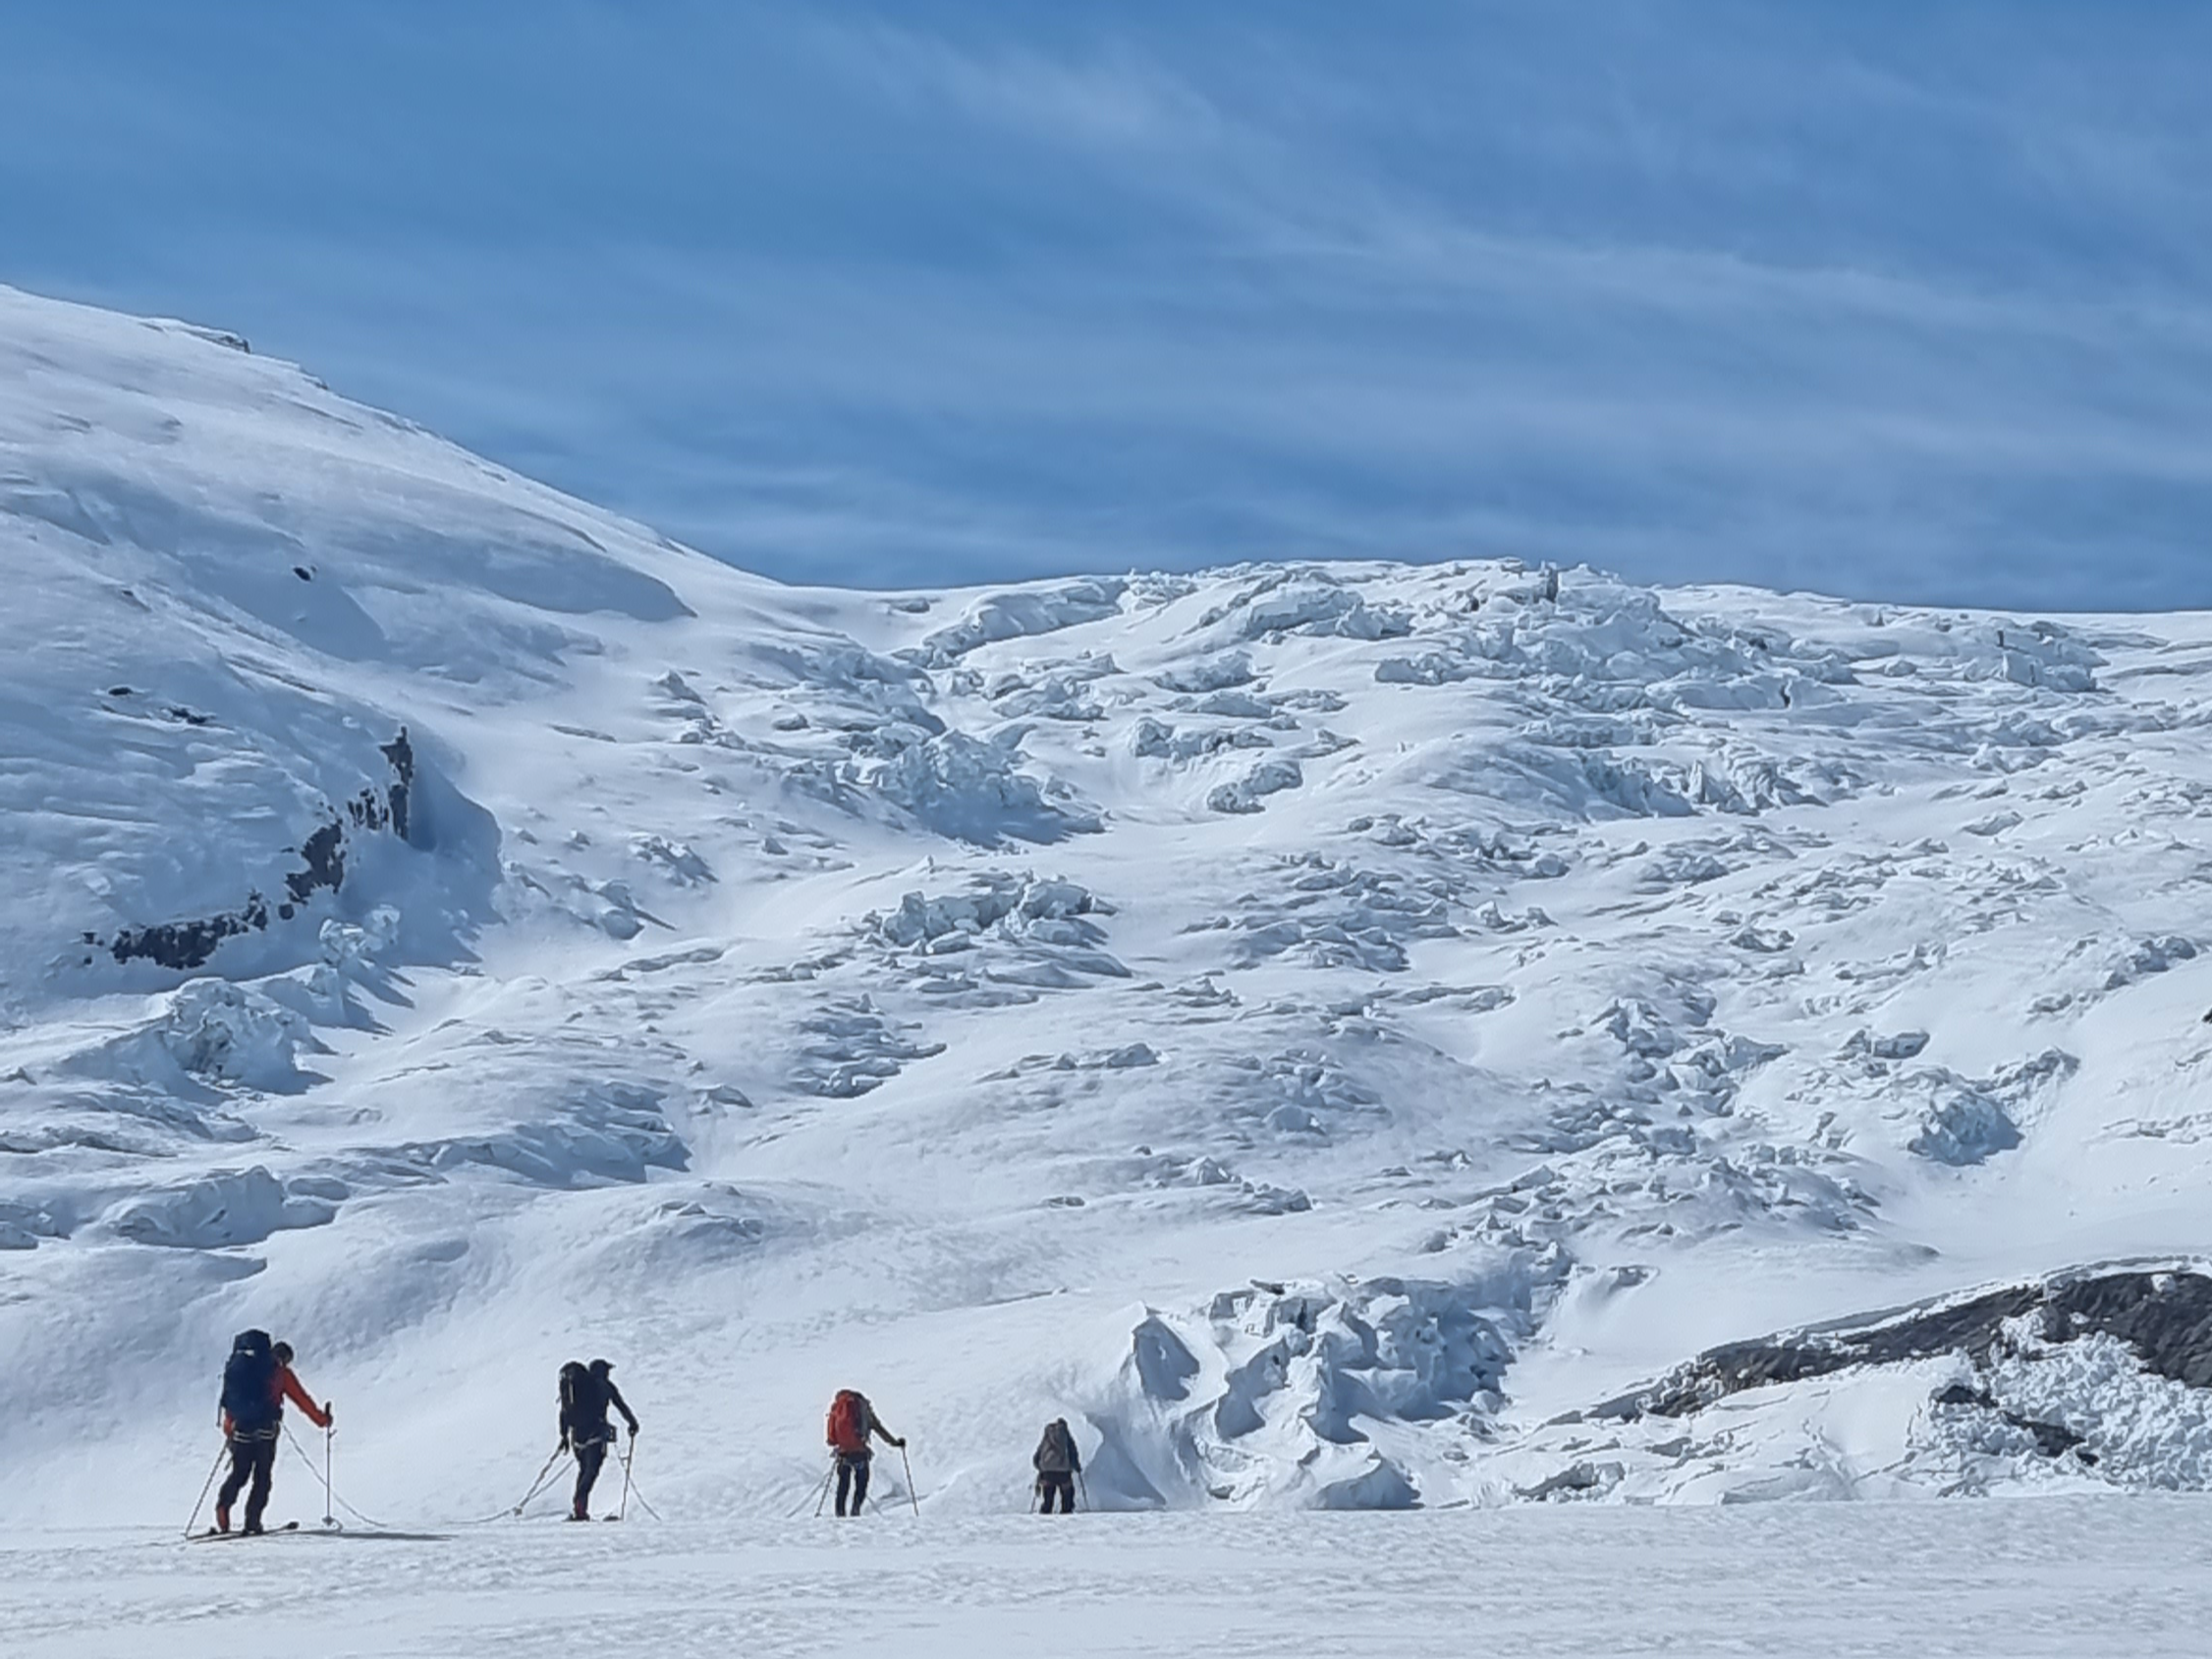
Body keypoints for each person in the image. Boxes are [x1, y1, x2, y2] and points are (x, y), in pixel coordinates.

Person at [214, 1331, 332, 1534]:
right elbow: (302, 1400)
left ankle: (223, 1508)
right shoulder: (280, 1373)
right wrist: (322, 1420)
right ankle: (252, 1521)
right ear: (285, 1358)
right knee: (262, 1478)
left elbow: (230, 1402)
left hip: (240, 1430)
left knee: (239, 1474)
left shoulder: (242, 1369)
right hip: (266, 1432)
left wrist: (229, 1430)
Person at [558, 1358, 639, 1521]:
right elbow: (621, 1406)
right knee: (591, 1471)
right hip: (596, 1436)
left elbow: (564, 1412)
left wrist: (564, 1436)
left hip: (577, 1438)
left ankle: (579, 1508)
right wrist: (633, 1424)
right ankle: (580, 1507)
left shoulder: (578, 1390)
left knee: (583, 1470)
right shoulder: (605, 1386)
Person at [825, 1388, 904, 1518]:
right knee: (861, 1483)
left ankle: (840, 1515)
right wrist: (895, 1443)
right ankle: (855, 1511)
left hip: (843, 1453)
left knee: (843, 1485)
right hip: (860, 1452)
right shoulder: (862, 1408)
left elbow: (831, 1437)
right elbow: (878, 1428)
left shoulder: (837, 1408)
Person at [1032, 1417, 1080, 1514]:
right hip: (1063, 1472)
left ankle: (1045, 1516)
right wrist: (1077, 1467)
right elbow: (1072, 1453)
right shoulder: (1066, 1436)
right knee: (1067, 1495)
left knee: (1048, 1498)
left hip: (1047, 1471)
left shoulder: (1047, 1436)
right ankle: (1066, 1514)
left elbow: (1037, 1455)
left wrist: (1040, 1467)